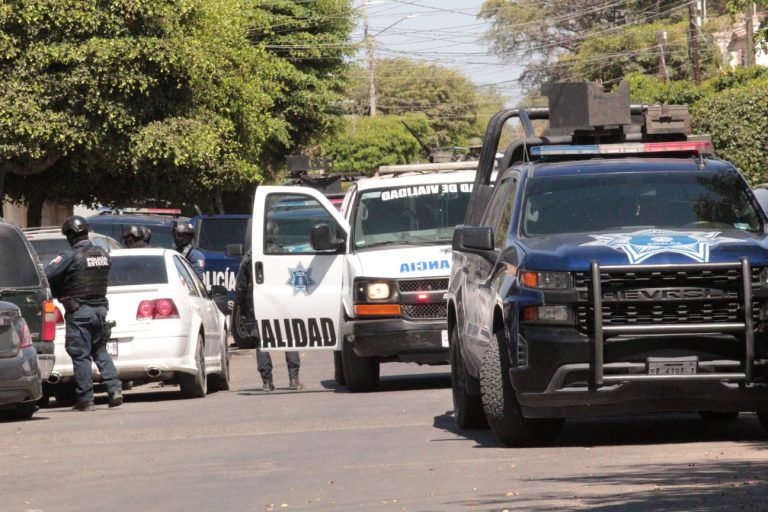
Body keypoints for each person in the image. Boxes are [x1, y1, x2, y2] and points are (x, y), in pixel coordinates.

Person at [44, 216, 123, 411]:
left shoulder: (70, 256)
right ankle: (115, 390)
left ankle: (86, 400)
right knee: (100, 350)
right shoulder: (103, 253)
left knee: (80, 355)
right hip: (100, 311)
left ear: (70, 235)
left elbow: (47, 274)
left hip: (79, 311)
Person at [234, 248, 302, 391]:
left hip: (259, 304)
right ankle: (294, 380)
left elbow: (241, 286)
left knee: (262, 341)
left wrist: (241, 306)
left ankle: (266, 382)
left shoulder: (250, 256)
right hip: (282, 303)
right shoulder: (283, 253)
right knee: (288, 338)